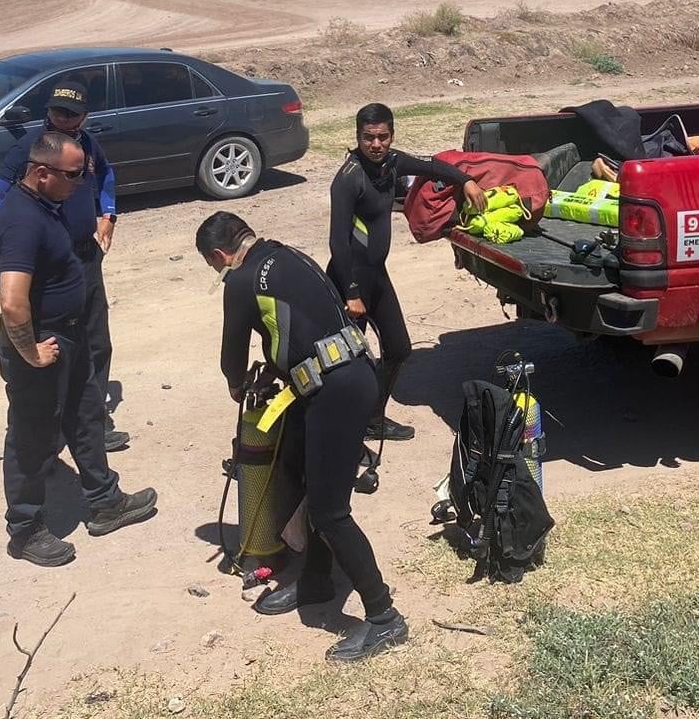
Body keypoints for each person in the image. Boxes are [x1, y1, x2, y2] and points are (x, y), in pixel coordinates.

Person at [200, 211, 409, 662]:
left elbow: (231, 359)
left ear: (220, 255)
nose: (219, 273)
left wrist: (239, 386)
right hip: (343, 380)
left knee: (329, 510)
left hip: (336, 392)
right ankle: (315, 581)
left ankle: (383, 616)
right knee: (298, 474)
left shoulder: (240, 282)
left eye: (214, 267)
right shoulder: (287, 255)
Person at [0, 131, 157, 566]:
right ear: (41, 173)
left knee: (85, 416)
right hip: (44, 342)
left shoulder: (48, 205)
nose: (81, 181)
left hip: (71, 333)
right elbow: (12, 300)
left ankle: (105, 502)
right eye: (72, 174)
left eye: (83, 172)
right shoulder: (22, 220)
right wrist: (30, 352)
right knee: (32, 437)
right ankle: (25, 530)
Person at [328, 103, 486, 441]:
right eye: (369, 138)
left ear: (391, 136)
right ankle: (341, 433)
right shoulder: (348, 178)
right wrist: (352, 292)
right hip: (349, 282)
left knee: (398, 349)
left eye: (383, 137)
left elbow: (431, 166)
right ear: (358, 138)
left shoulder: (393, 162)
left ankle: (372, 419)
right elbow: (338, 243)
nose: (376, 144)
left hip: (376, 276)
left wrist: (467, 180)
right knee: (346, 364)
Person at [0, 81, 127, 452]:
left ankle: (94, 420)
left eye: (70, 113)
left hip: (86, 256)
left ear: (84, 116)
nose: (61, 119)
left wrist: (108, 214)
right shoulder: (31, 151)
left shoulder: (89, 147)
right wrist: (26, 247)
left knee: (96, 340)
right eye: (56, 111)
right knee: (54, 343)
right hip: (52, 264)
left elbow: (107, 177)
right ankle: (43, 430)